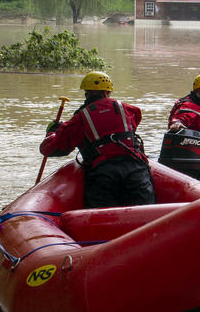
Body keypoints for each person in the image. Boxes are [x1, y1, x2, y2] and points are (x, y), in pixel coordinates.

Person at [40, 71, 155, 209]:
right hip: (137, 170)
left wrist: (53, 132)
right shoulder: (127, 109)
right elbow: (135, 120)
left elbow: (51, 149)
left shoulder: (80, 118)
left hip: (104, 174)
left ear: (86, 94)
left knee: (103, 219)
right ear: (107, 92)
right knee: (145, 214)